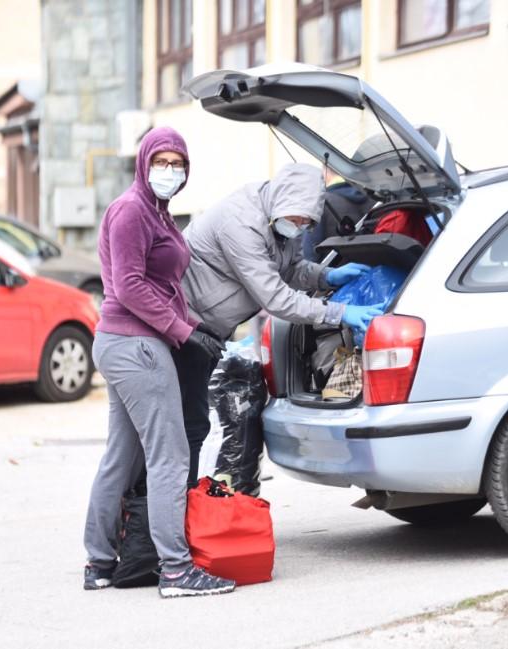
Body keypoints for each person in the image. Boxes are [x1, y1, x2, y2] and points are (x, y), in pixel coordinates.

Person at [82, 127, 235, 599]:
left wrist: (194, 323)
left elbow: (161, 286)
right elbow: (128, 286)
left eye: (178, 164)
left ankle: (101, 563)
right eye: (161, 162)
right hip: (138, 347)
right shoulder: (132, 210)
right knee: (170, 454)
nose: (169, 171)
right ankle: (175, 569)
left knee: (122, 457)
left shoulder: (157, 212)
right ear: (144, 162)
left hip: (126, 344)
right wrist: (183, 332)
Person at [175, 163, 383, 485]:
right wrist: (339, 312)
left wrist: (326, 276)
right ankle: (165, 510)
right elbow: (276, 298)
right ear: (280, 203)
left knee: (193, 425)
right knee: (184, 428)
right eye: (296, 218)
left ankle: (186, 505)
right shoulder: (241, 223)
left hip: (210, 331)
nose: (299, 226)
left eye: (306, 221)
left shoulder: (284, 220)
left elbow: (291, 268)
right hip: (184, 329)